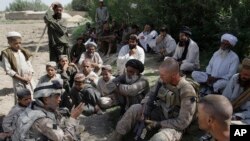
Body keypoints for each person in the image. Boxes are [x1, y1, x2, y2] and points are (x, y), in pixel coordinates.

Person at [110, 58, 197, 141]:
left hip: (173, 123)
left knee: (160, 138)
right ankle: (115, 137)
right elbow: (150, 94)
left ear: (174, 75)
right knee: (134, 108)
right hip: (159, 113)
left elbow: (183, 122)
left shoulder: (187, 91)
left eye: (163, 75)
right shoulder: (162, 80)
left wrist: (158, 124)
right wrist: (145, 107)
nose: (160, 78)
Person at [12, 79, 84, 140]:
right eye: (57, 97)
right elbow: (64, 139)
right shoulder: (42, 120)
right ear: (46, 99)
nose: (60, 99)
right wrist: (72, 119)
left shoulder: (34, 106)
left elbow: (54, 125)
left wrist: (63, 126)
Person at [1, 31, 35, 103]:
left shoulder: (23, 51)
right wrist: (22, 79)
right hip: (18, 79)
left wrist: (30, 76)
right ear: (9, 43)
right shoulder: (7, 53)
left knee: (32, 96)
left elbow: (29, 64)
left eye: (20, 43)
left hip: (29, 79)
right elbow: (8, 70)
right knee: (21, 98)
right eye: (15, 43)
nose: (18, 45)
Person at [223, 57, 250, 124]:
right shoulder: (235, 78)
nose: (244, 77)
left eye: (247, 75)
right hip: (230, 107)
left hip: (245, 114)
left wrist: (240, 116)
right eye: (242, 74)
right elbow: (225, 96)